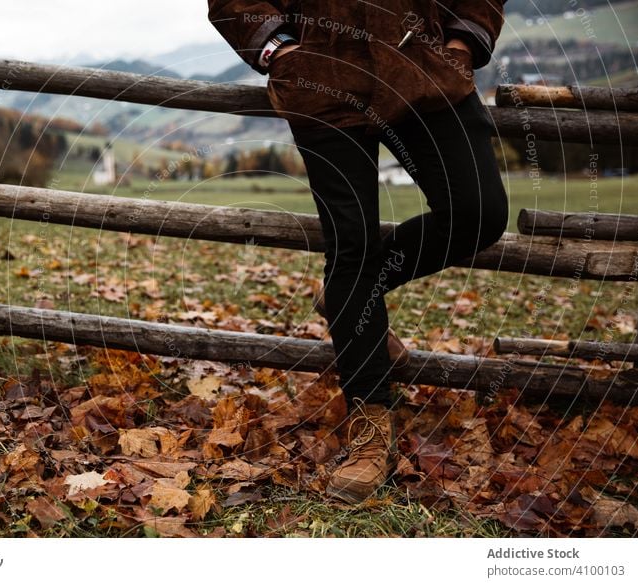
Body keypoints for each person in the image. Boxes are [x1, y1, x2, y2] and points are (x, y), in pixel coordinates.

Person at [208, 1, 509, 504]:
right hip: (322, 77)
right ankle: (370, 432)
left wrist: (461, 43)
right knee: (354, 247)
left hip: (423, 68)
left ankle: (349, 298)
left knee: (477, 212)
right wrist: (280, 50)